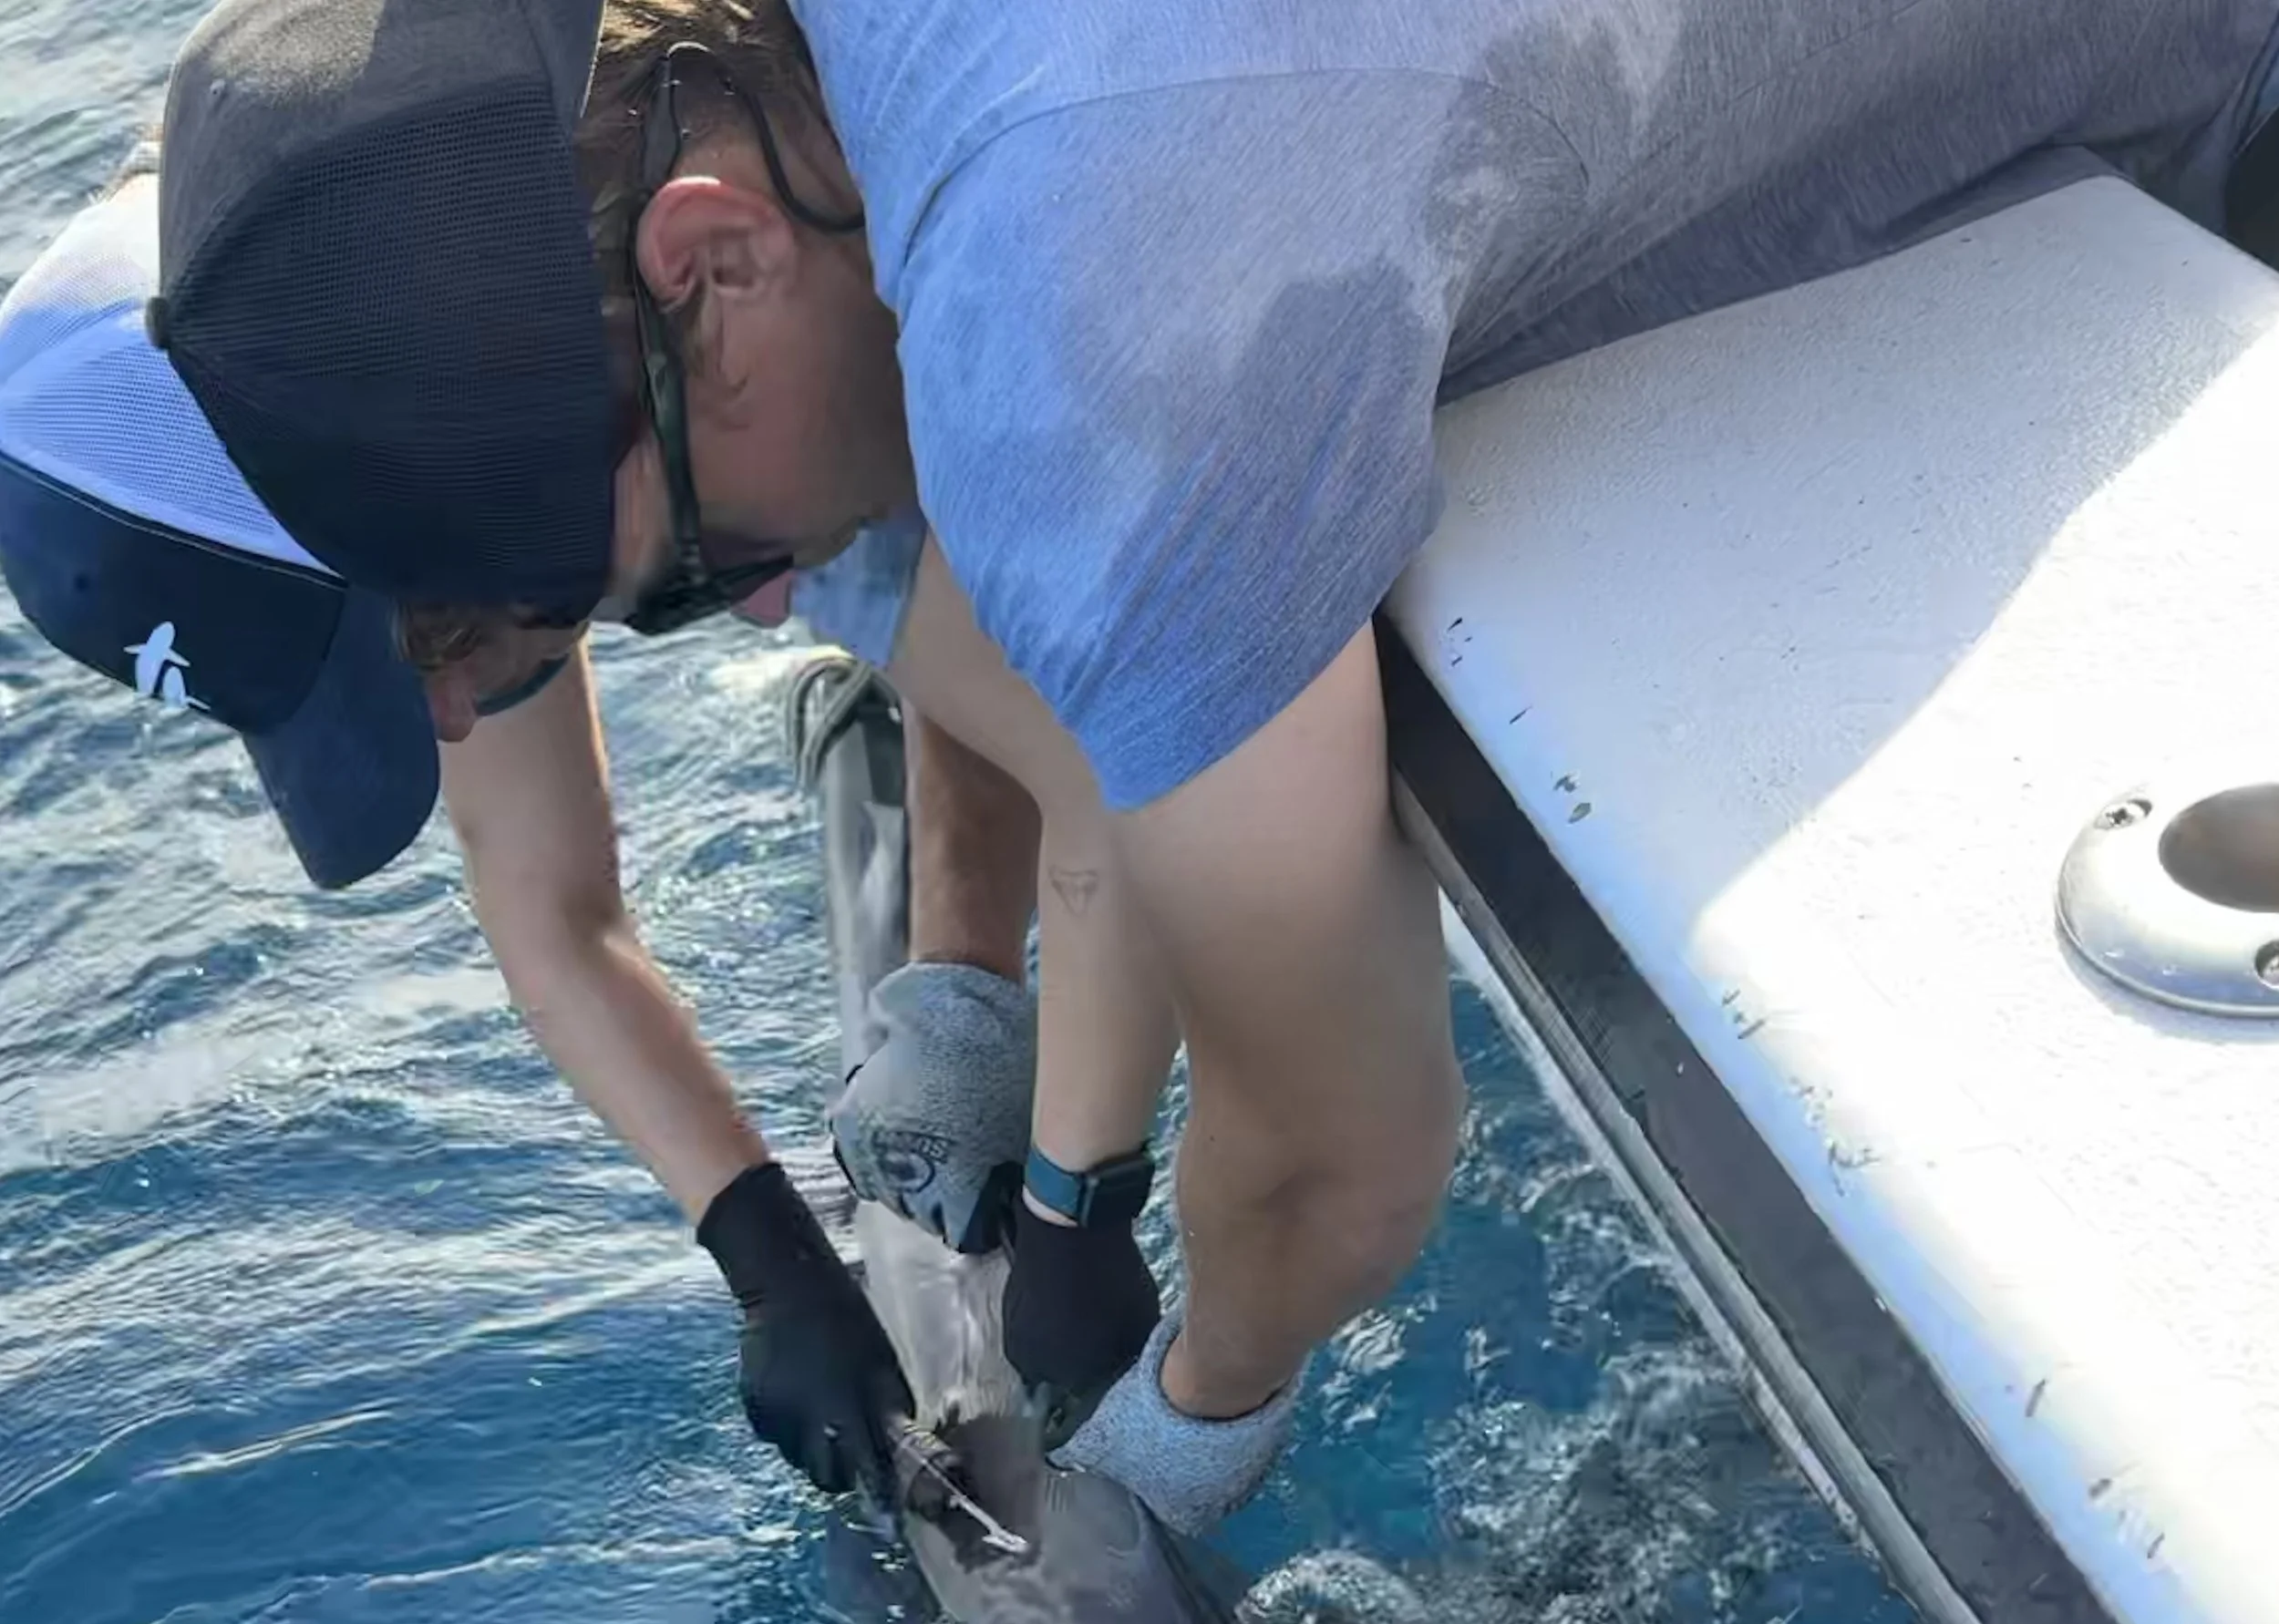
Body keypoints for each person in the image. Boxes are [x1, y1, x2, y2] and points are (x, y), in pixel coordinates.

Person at [140, 0, 2279, 1523]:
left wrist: (1184, 1419)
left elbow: (1349, 1154)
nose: (781, 600)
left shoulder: (1085, 311)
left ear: (706, 253)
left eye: (688, 571)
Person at [0, 157, 1140, 1510]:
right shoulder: (411, 457)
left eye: (425, 639)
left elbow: (1113, 755)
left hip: (932, 260)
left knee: (966, 605)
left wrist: (1084, 1192)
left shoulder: (694, 297)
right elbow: (549, 902)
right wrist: (766, 1252)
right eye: (374, 677)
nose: (454, 715)